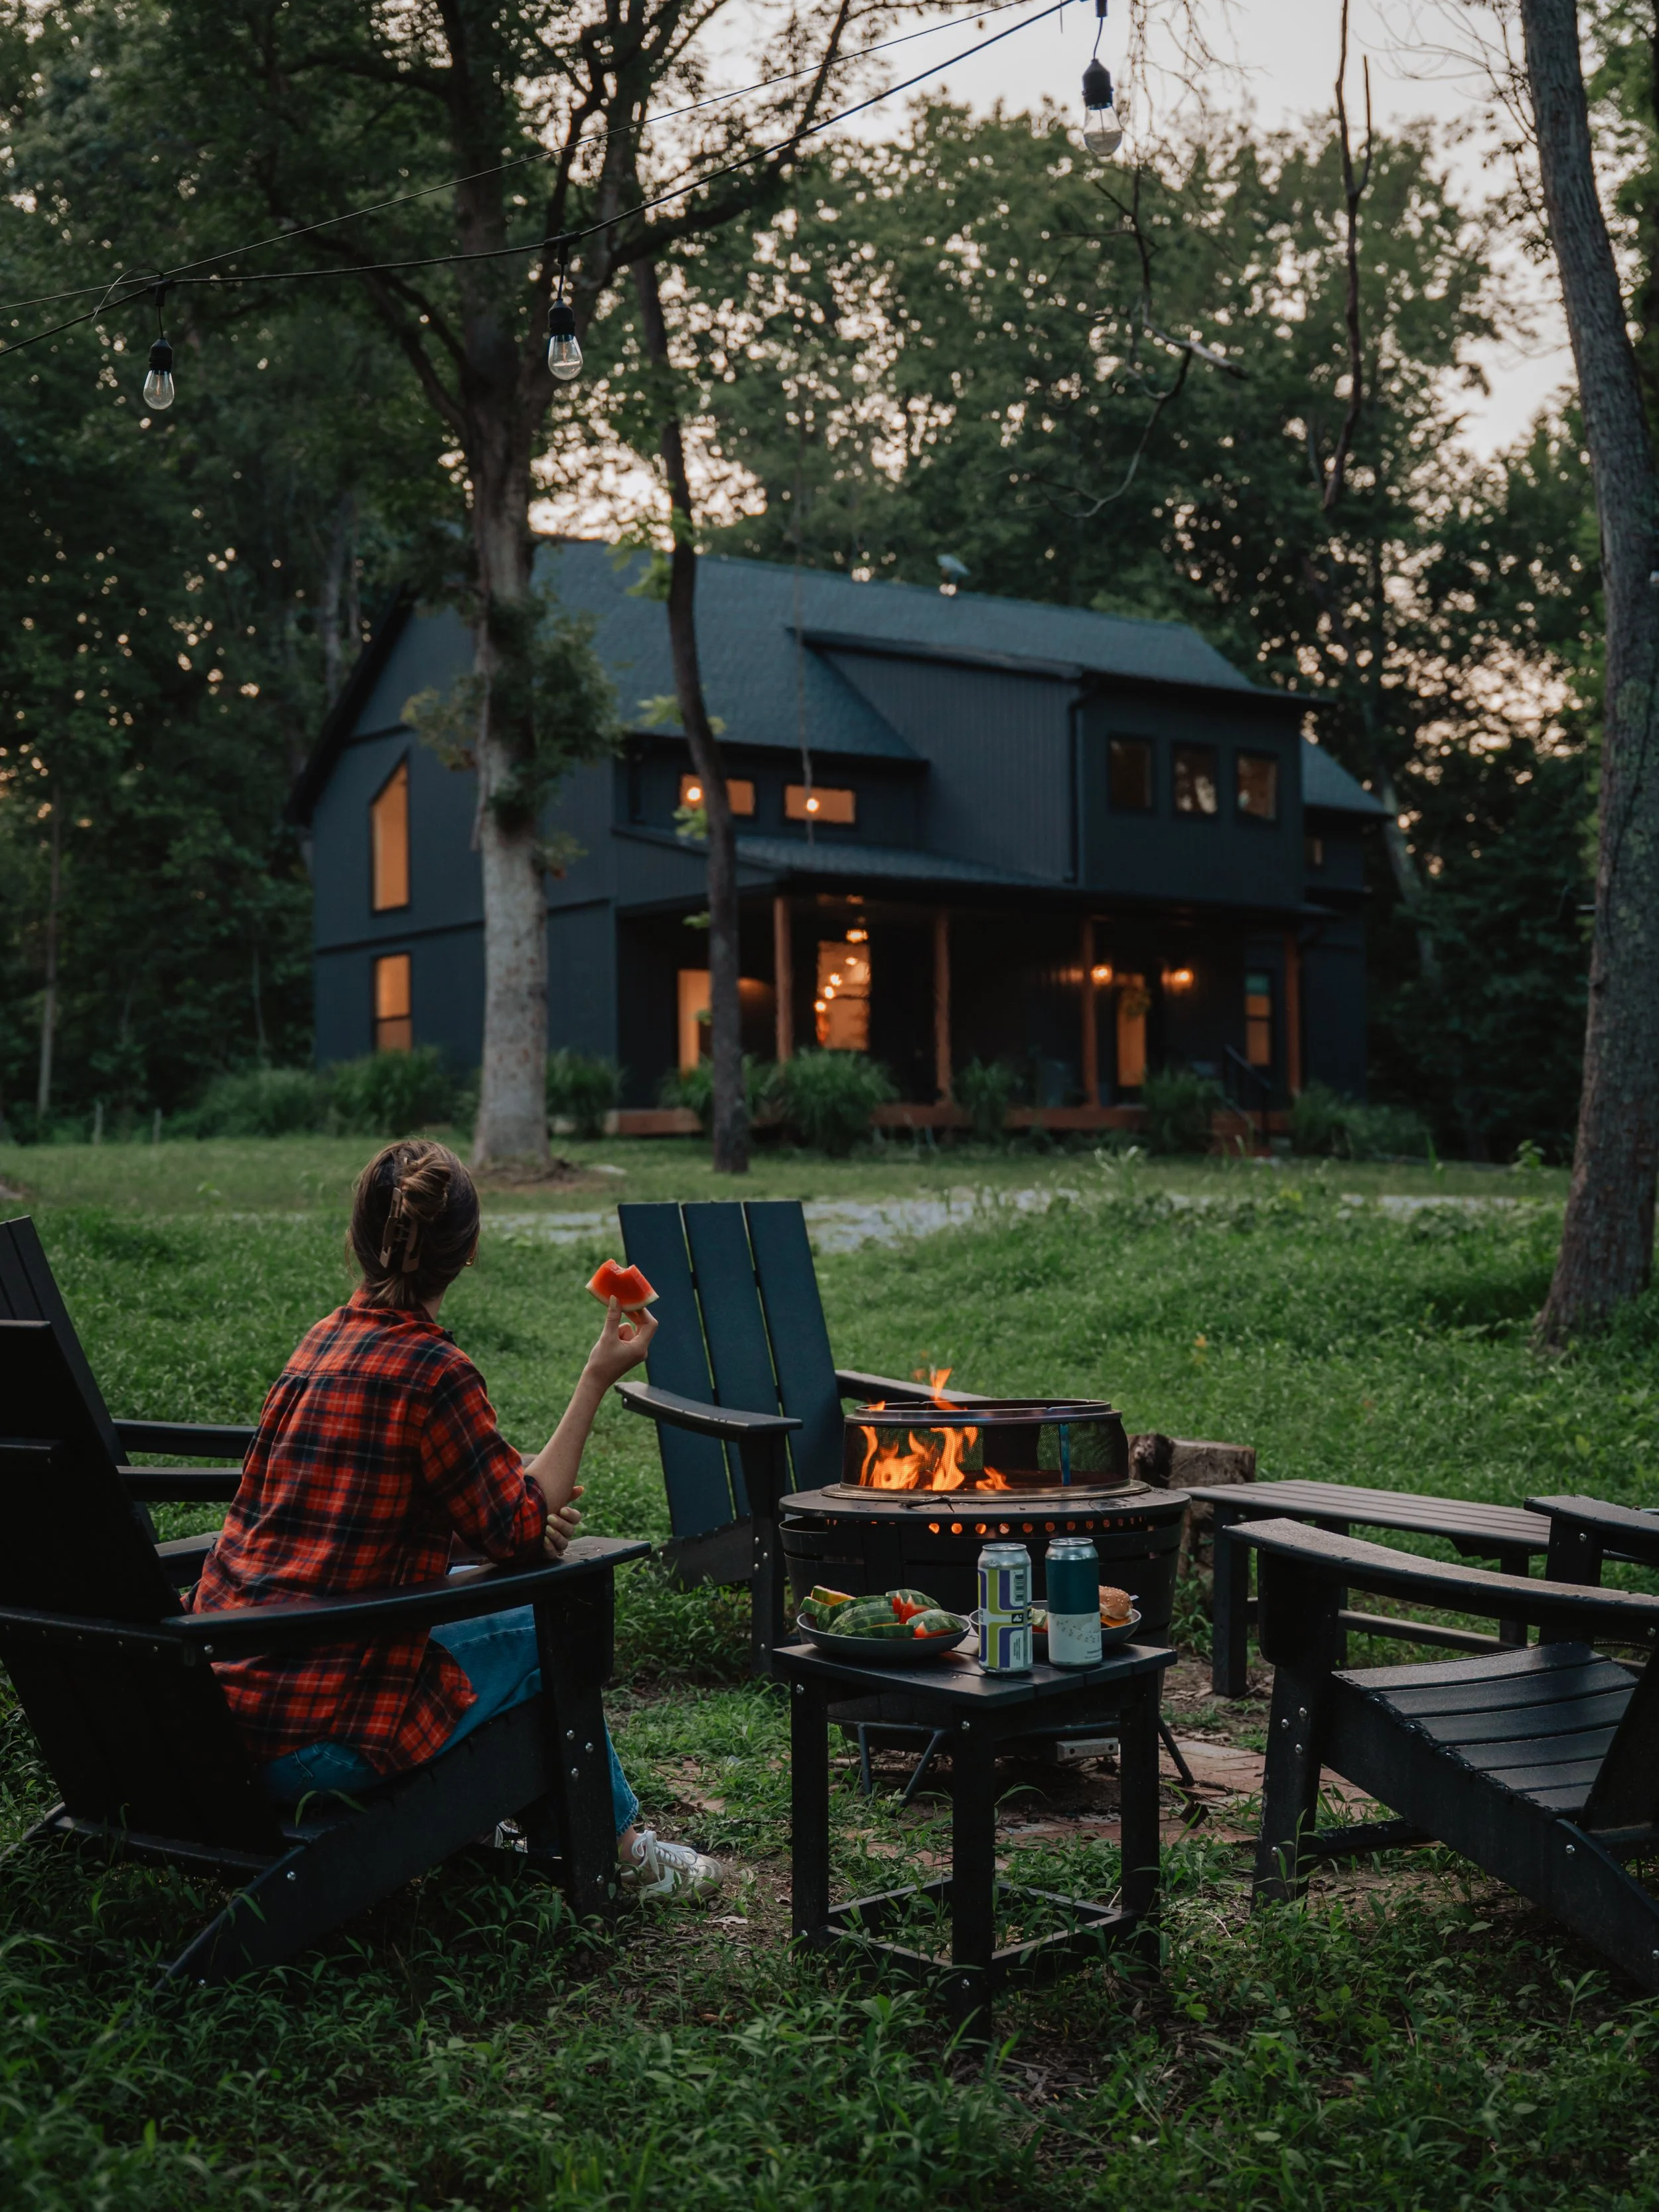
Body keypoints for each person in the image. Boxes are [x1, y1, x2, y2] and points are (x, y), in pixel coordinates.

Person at [191, 1137, 724, 1903]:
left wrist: (508, 1517)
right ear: (468, 1251)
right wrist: (593, 1384)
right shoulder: (434, 1371)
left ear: (359, 1239)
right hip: (313, 1739)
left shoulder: (320, 1344)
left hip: (227, 1710)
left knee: (508, 1600)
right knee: (552, 1629)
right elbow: (515, 1530)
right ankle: (619, 1852)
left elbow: (498, 1511)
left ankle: (533, 1821)